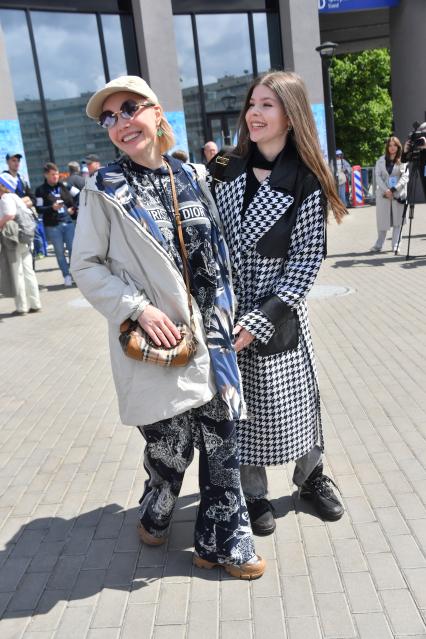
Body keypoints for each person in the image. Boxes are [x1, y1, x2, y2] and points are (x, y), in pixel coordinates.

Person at [70, 75, 265, 580]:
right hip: (161, 339)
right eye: (108, 118)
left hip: (214, 334)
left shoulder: (194, 176)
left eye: (129, 109)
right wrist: (137, 309)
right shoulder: (104, 189)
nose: (119, 123)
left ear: (157, 114)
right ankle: (157, 506)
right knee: (170, 446)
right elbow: (85, 265)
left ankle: (221, 543)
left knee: (223, 440)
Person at [208, 71, 347, 536]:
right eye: (252, 103)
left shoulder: (304, 178)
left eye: (267, 104)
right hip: (230, 309)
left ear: (291, 115)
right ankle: (253, 492)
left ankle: (311, 478)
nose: (254, 112)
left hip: (278, 310)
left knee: (296, 399)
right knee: (239, 407)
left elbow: (306, 261)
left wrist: (264, 316)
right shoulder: (226, 168)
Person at [0, 173, 42, 315]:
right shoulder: (15, 197)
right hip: (25, 238)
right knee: (28, 271)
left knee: (17, 272)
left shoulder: (5, 198)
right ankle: (35, 304)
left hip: (15, 239)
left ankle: (22, 307)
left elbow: (10, 214)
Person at [35, 162, 76, 286]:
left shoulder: (64, 185)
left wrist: (73, 210)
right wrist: (52, 208)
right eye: (53, 175)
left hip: (68, 223)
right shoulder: (40, 190)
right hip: (53, 226)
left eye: (57, 174)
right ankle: (66, 275)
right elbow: (39, 209)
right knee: (59, 253)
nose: (56, 177)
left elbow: (79, 195)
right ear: (46, 175)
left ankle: (75, 274)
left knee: (73, 250)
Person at [2, 151, 47, 260]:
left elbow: (33, 199)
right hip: (11, 222)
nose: (16, 163)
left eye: (18, 161)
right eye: (13, 160)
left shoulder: (22, 179)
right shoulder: (3, 179)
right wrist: (23, 202)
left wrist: (20, 202)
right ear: (7, 162)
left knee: (28, 256)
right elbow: (6, 200)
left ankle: (38, 252)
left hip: (25, 221)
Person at [371, 136, 408, 254]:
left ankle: (396, 245)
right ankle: (378, 245)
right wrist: (386, 190)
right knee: (383, 221)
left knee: (398, 221)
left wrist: (393, 189)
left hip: (397, 194)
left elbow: (405, 177)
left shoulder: (403, 160)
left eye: (394, 145)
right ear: (387, 147)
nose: (392, 148)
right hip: (383, 194)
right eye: (390, 145)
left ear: (398, 147)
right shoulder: (380, 160)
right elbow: (378, 177)